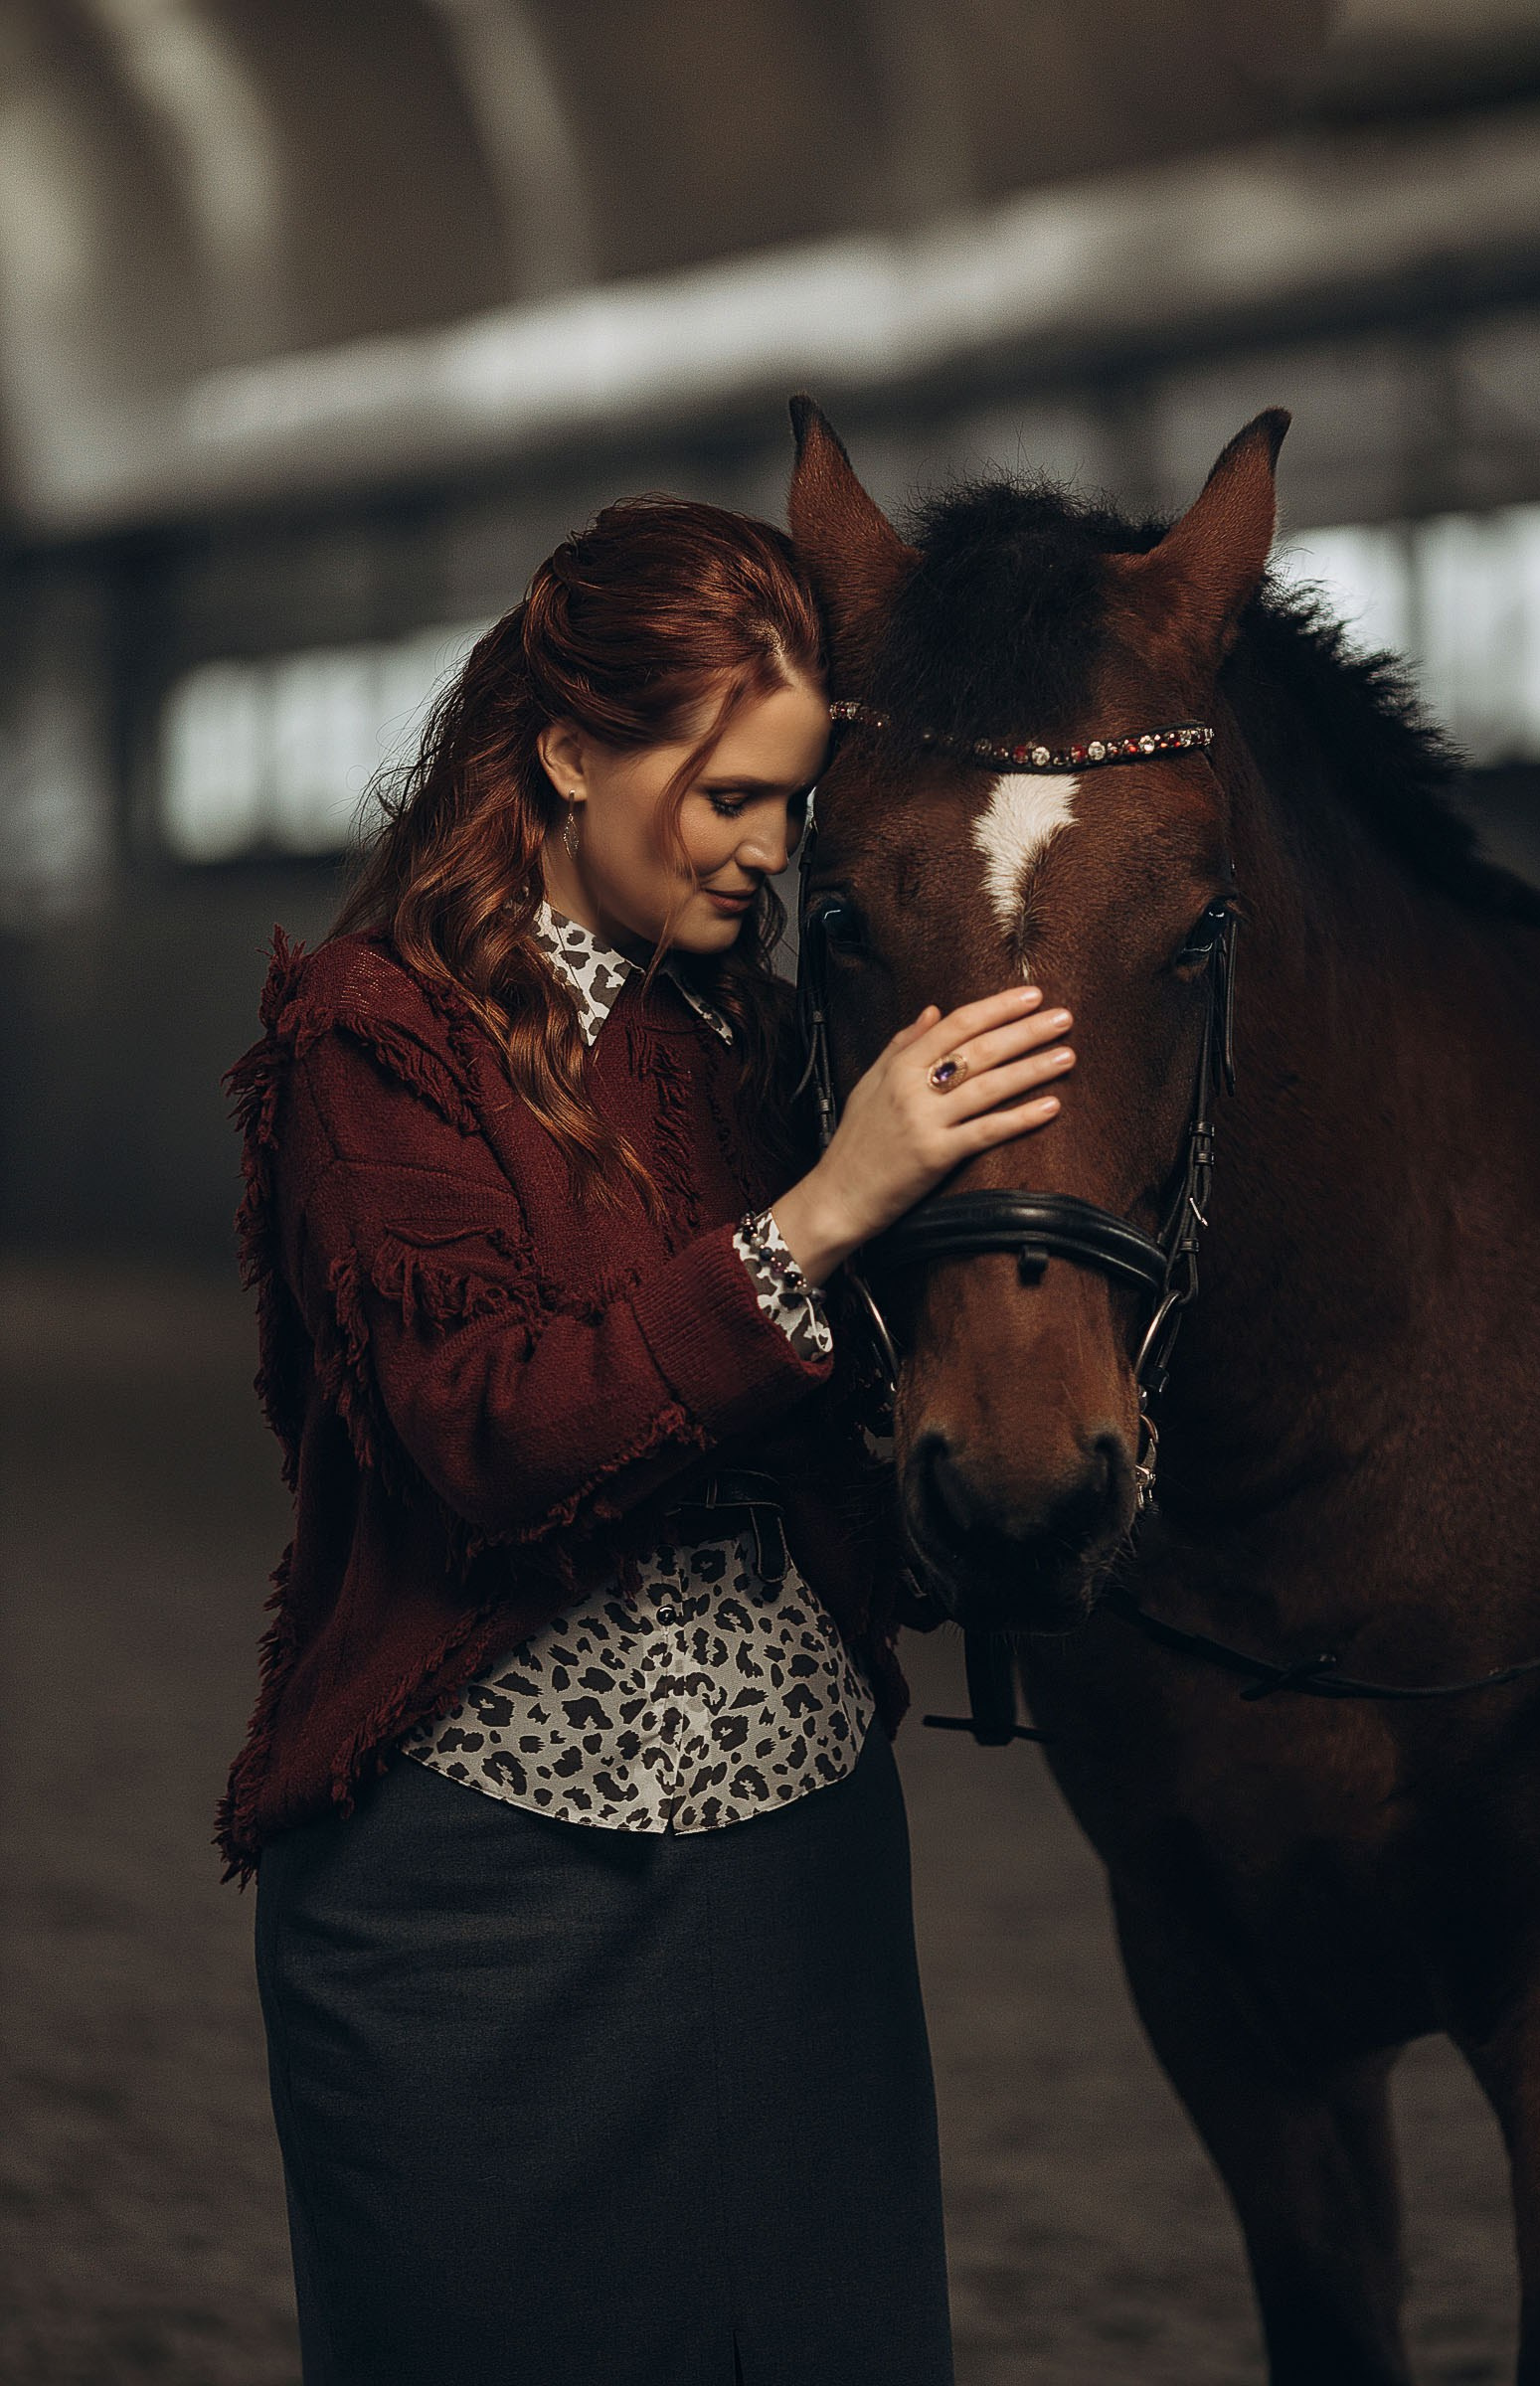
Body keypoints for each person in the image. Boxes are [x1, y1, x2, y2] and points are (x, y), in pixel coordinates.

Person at [220, 492, 1076, 2386]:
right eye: (728, 799)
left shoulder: (762, 1045)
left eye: (793, 807)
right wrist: (822, 1213)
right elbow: (487, 1436)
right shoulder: (376, 1042)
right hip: (474, 1901)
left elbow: (881, 1424)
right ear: (566, 749)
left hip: (799, 1882)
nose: (769, 855)